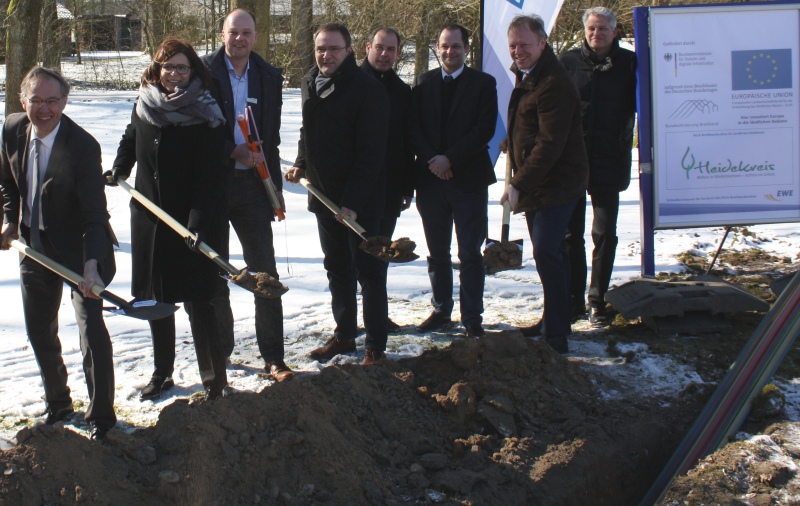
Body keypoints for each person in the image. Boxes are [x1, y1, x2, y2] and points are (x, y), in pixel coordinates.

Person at [0, 66, 117, 440]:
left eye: (53, 101)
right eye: (36, 100)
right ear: (23, 101)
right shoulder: (11, 130)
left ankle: (101, 417)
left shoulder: (83, 147)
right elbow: (7, 182)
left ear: (65, 102)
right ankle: (59, 404)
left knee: (90, 331)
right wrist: (9, 220)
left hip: (81, 247)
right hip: (35, 243)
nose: (44, 109)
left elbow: (95, 215)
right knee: (39, 329)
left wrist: (91, 265)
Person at [108, 39, 229, 400]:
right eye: (167, 66)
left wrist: (198, 222)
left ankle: (213, 379)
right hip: (150, 215)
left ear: (194, 71)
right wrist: (119, 167)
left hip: (192, 219)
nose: (174, 74)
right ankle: (163, 372)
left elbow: (210, 175)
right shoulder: (145, 101)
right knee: (158, 298)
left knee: (199, 299)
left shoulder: (207, 111)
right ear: (156, 69)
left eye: (181, 67)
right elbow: (132, 138)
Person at [285, 23, 390, 365]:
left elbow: (371, 153)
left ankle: (375, 344)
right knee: (337, 269)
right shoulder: (309, 82)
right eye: (320, 49)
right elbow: (307, 131)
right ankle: (344, 334)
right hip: (322, 195)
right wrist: (301, 163)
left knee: (369, 272)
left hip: (360, 202)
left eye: (333, 48)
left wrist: (353, 203)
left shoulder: (367, 90)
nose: (326, 55)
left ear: (349, 50)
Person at [202, 9, 294, 383]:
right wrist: (230, 150)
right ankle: (220, 353)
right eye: (233, 32)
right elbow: (196, 132)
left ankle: (274, 357)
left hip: (254, 186)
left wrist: (273, 189)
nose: (239, 39)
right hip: (213, 185)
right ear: (222, 34)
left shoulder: (269, 76)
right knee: (216, 272)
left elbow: (269, 137)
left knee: (265, 273)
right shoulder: (202, 71)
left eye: (246, 33)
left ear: (256, 37)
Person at [501, 15, 589, 354]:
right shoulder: (530, 76)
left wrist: (517, 184)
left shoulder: (553, 83)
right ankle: (556, 318)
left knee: (547, 252)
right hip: (540, 182)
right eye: (513, 46)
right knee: (552, 253)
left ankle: (556, 335)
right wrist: (514, 140)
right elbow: (531, 124)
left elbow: (550, 144)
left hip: (556, 183)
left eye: (524, 44)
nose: (518, 51)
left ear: (542, 43)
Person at [407, 23, 498, 338]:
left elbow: (484, 129)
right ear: (437, 47)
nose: (449, 52)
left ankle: (472, 315)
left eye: (456, 46)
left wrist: (451, 159)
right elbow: (413, 128)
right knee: (437, 251)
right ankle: (441, 308)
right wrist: (435, 160)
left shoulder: (483, 84)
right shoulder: (423, 82)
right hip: (431, 182)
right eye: (444, 46)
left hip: (469, 180)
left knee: (470, 253)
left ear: (466, 48)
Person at [559, 7, 637, 328]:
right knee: (570, 235)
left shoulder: (629, 64)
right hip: (574, 161)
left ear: (614, 31)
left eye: (603, 28)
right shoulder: (568, 62)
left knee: (604, 234)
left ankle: (597, 300)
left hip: (610, 160)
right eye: (591, 28)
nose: (596, 34)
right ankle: (574, 300)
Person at [360, 26, 415, 331]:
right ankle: (354, 321)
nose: (384, 54)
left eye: (390, 50)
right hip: (355, 190)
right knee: (356, 261)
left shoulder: (402, 90)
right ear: (367, 46)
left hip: (390, 189)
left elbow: (406, 143)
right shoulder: (350, 82)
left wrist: (407, 187)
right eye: (379, 47)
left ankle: (376, 319)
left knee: (380, 258)